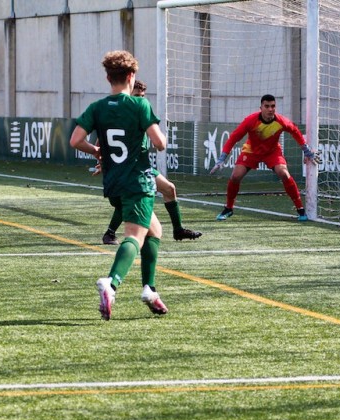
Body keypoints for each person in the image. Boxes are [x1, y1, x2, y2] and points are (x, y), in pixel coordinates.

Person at [70, 51, 169, 320]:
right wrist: (159, 137)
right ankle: (111, 283)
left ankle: (150, 289)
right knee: (135, 237)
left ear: (107, 77)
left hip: (113, 183)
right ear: (131, 76)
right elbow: (159, 143)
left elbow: (76, 140)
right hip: (137, 181)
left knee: (155, 230)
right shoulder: (139, 105)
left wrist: (97, 152)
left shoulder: (97, 107)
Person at [100, 79, 202, 245]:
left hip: (141, 167)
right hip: (125, 169)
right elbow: (102, 142)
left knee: (169, 189)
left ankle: (178, 230)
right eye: (137, 95)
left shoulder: (140, 112)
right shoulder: (120, 116)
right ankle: (110, 234)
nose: (141, 99)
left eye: (142, 96)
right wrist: (104, 161)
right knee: (126, 201)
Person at [210, 94, 319, 221]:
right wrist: (222, 158)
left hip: (272, 152)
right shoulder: (250, 120)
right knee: (235, 176)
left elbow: (295, 131)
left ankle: (300, 209)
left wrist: (306, 151)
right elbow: (234, 137)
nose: (270, 109)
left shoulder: (281, 121)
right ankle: (228, 209)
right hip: (251, 151)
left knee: (284, 173)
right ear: (260, 108)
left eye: (273, 106)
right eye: (267, 106)